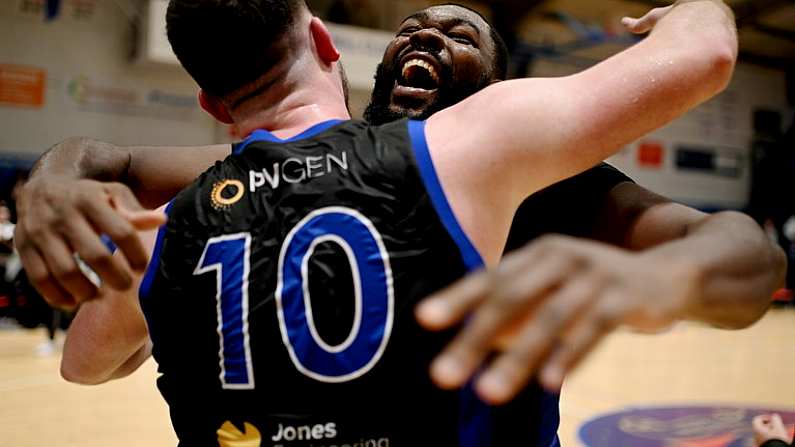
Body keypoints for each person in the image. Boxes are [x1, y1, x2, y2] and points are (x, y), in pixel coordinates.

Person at [14, 0, 756, 445]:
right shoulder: (365, 162)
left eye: (459, 35)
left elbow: (737, 249)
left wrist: (655, 278)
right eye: (410, 28)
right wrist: (61, 169)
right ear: (339, 54)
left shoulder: (541, 180)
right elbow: (132, 161)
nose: (427, 36)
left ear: (503, 99)